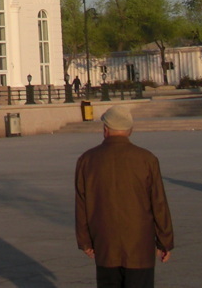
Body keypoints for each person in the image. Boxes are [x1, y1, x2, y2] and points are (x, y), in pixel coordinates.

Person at [75, 106, 174, 287]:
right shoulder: (146, 159)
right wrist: (164, 241)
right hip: (139, 245)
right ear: (130, 130)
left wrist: (85, 241)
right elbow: (158, 203)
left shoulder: (87, 160)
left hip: (105, 243)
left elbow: (82, 205)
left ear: (105, 129)